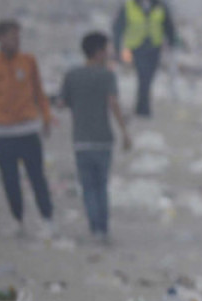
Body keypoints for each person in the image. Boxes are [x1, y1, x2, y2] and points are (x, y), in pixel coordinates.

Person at [0, 19, 56, 238]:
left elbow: (39, 92)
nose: (16, 40)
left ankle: (47, 219)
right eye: (12, 36)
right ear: (0, 38)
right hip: (2, 133)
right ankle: (17, 220)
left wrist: (46, 117)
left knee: (37, 177)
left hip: (28, 130)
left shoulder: (29, 61)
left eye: (18, 36)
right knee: (10, 180)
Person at [58, 32, 132, 244]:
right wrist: (125, 132)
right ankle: (103, 229)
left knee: (88, 188)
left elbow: (62, 102)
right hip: (103, 140)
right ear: (99, 52)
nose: (109, 53)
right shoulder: (107, 76)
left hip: (81, 140)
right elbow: (113, 103)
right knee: (101, 187)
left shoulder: (72, 75)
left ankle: (94, 230)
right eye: (107, 49)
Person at [112, 0, 177, 118]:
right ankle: (143, 109)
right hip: (136, 47)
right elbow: (118, 27)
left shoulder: (160, 6)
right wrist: (117, 49)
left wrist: (171, 44)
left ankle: (141, 107)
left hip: (154, 47)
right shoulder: (129, 5)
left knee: (148, 77)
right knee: (143, 76)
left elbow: (168, 26)